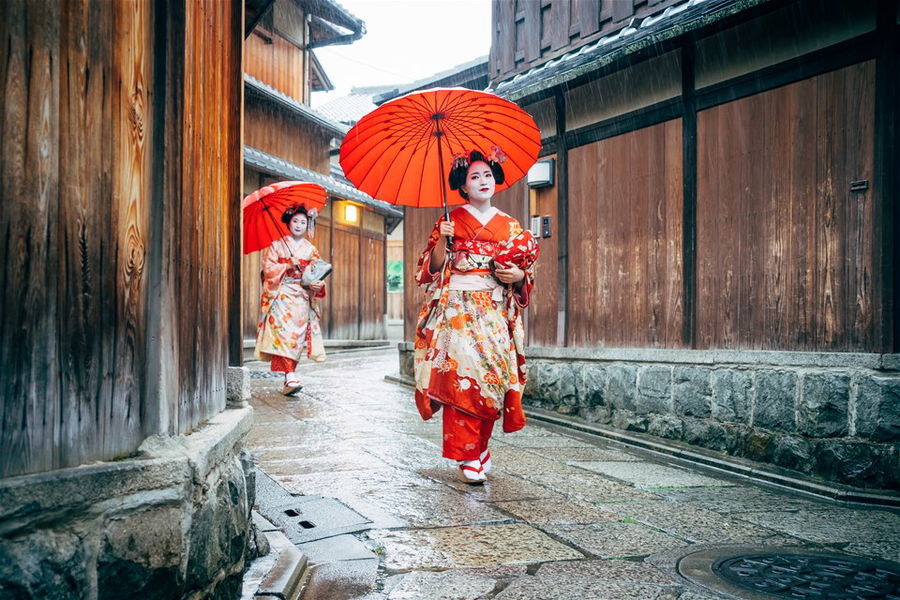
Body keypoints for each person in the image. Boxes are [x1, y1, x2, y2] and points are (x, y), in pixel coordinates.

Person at [413, 148, 539, 484]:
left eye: (487, 175)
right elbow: (429, 270)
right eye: (474, 177)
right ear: (463, 186)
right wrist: (442, 241)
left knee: (492, 378)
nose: (482, 181)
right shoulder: (449, 221)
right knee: (460, 377)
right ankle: (467, 454)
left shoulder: (510, 225)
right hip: (458, 310)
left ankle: (481, 445)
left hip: (495, 310)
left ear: (495, 179)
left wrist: (518, 277)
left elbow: (523, 274)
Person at [254, 204, 327, 395]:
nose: (299, 225)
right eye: (295, 221)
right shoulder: (276, 246)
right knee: (284, 334)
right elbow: (267, 270)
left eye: (303, 222)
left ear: (308, 225)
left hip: (302, 296)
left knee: (297, 337)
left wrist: (317, 285)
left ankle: (290, 375)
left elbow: (316, 274)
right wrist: (286, 265)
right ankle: (289, 375)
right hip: (282, 294)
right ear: (288, 222)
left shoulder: (311, 250)